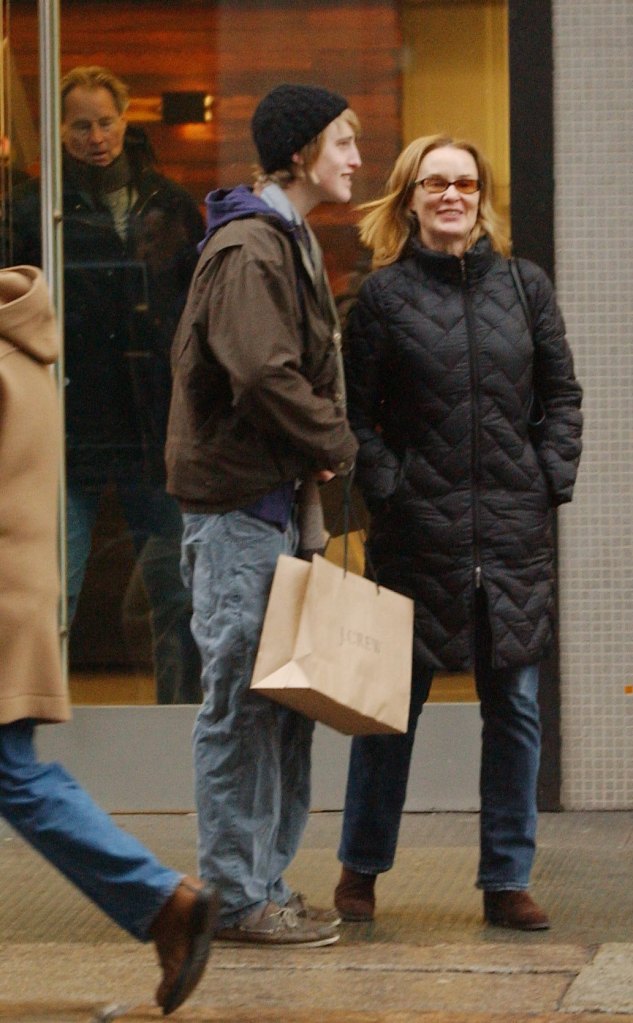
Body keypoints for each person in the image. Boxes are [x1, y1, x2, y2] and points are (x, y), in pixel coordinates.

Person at [333, 134, 583, 931]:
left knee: (512, 708)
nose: (452, 195)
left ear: (481, 198)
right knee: (388, 709)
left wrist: (548, 476)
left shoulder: (524, 286)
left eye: (466, 184)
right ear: (408, 198)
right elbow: (354, 419)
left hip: (512, 533)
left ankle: (505, 877)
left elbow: (562, 394)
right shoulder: (382, 300)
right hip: (417, 534)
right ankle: (361, 868)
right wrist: (392, 490)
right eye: (435, 183)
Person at [166, 83, 361, 945]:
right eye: (344, 141)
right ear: (299, 152)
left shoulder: (286, 238)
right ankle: (237, 897)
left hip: (274, 509)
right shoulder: (252, 246)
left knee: (281, 706)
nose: (357, 156)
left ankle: (265, 883)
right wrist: (335, 439)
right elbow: (263, 373)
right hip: (239, 512)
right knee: (242, 710)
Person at [0, 263, 216, 1015]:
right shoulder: (20, 345)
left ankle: (164, 899)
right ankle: (163, 902)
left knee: (13, 774)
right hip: (11, 600)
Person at [7, 66, 204, 704]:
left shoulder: (168, 202)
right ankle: (38, 716)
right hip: (68, 419)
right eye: (81, 124)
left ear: (125, 120)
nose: (97, 136)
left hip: (153, 421)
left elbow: (194, 302)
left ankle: (179, 719)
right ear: (60, 132)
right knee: (53, 583)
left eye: (106, 121)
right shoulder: (34, 210)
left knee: (177, 584)